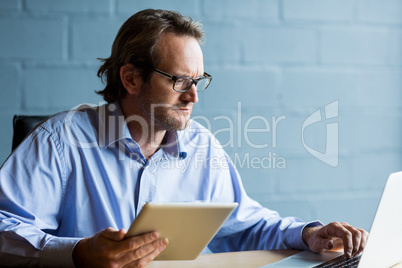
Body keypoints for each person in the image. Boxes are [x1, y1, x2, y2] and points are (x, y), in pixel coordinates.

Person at [0, 9, 367, 268]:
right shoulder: (60, 141)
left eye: (198, 81)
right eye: (179, 82)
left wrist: (309, 234)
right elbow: (5, 229)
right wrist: (77, 254)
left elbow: (246, 225)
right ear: (131, 79)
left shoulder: (202, 145)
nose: (193, 97)